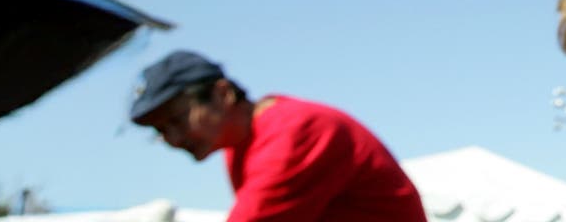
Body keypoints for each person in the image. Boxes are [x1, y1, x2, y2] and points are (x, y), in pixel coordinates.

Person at [129, 50, 425, 222]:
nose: (172, 139)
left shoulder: (296, 131)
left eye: (176, 120)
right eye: (160, 131)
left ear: (222, 93)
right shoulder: (241, 146)